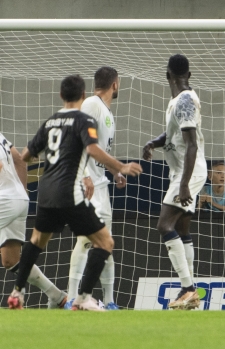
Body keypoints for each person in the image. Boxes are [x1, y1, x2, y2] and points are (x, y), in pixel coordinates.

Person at [7, 75, 142, 311]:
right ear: (83, 95)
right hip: (70, 192)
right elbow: (92, 149)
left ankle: (17, 292)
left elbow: (25, 155)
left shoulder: (50, 122)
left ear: (61, 95)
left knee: (36, 241)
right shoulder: (83, 119)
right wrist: (120, 166)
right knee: (105, 242)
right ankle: (82, 298)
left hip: (46, 194)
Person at [142, 54, 207, 310]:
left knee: (163, 224)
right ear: (188, 75)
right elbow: (174, 134)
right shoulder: (179, 102)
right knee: (181, 229)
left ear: (167, 75)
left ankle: (188, 288)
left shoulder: (184, 101)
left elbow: (191, 145)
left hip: (187, 172)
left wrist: (184, 184)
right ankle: (189, 291)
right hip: (184, 171)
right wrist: (154, 143)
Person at [65, 66, 124, 310]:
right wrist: (86, 175)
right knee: (86, 239)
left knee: (105, 242)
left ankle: (109, 301)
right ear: (115, 84)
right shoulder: (91, 103)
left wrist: (114, 171)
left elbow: (98, 151)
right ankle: (71, 297)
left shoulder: (106, 111)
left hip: (101, 185)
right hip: (86, 184)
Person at [0, 132, 68, 309]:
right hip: (18, 199)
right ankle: (57, 296)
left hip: (3, 201)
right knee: (11, 260)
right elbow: (20, 160)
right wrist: (22, 192)